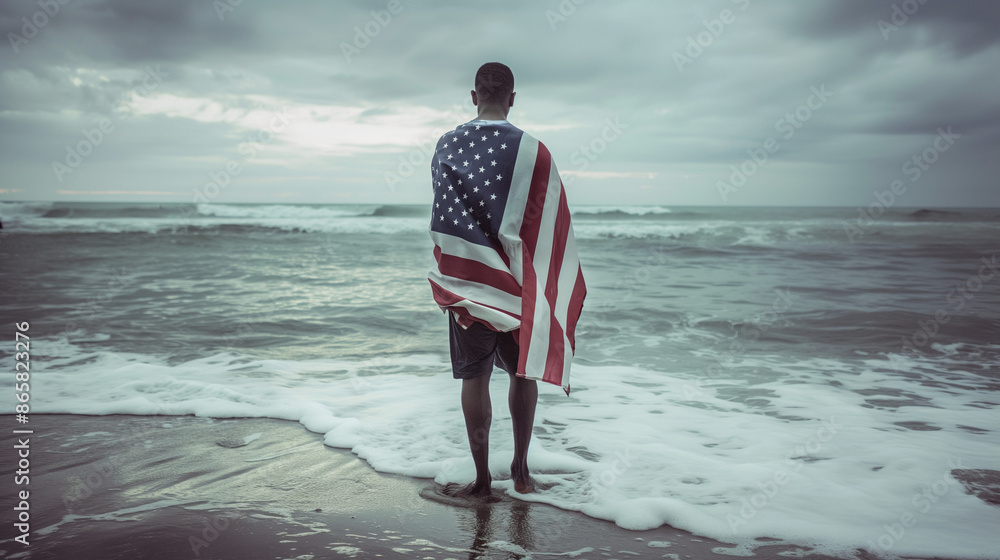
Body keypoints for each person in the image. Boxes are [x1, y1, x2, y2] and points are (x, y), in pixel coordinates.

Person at [427, 62, 586, 502]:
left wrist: (455, 272)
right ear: (512, 98)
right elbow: (551, 228)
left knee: (474, 378)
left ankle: (481, 481)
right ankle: (520, 472)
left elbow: (444, 215)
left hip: (469, 283)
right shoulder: (535, 151)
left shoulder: (448, 144)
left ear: (474, 95)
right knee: (522, 373)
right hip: (519, 288)